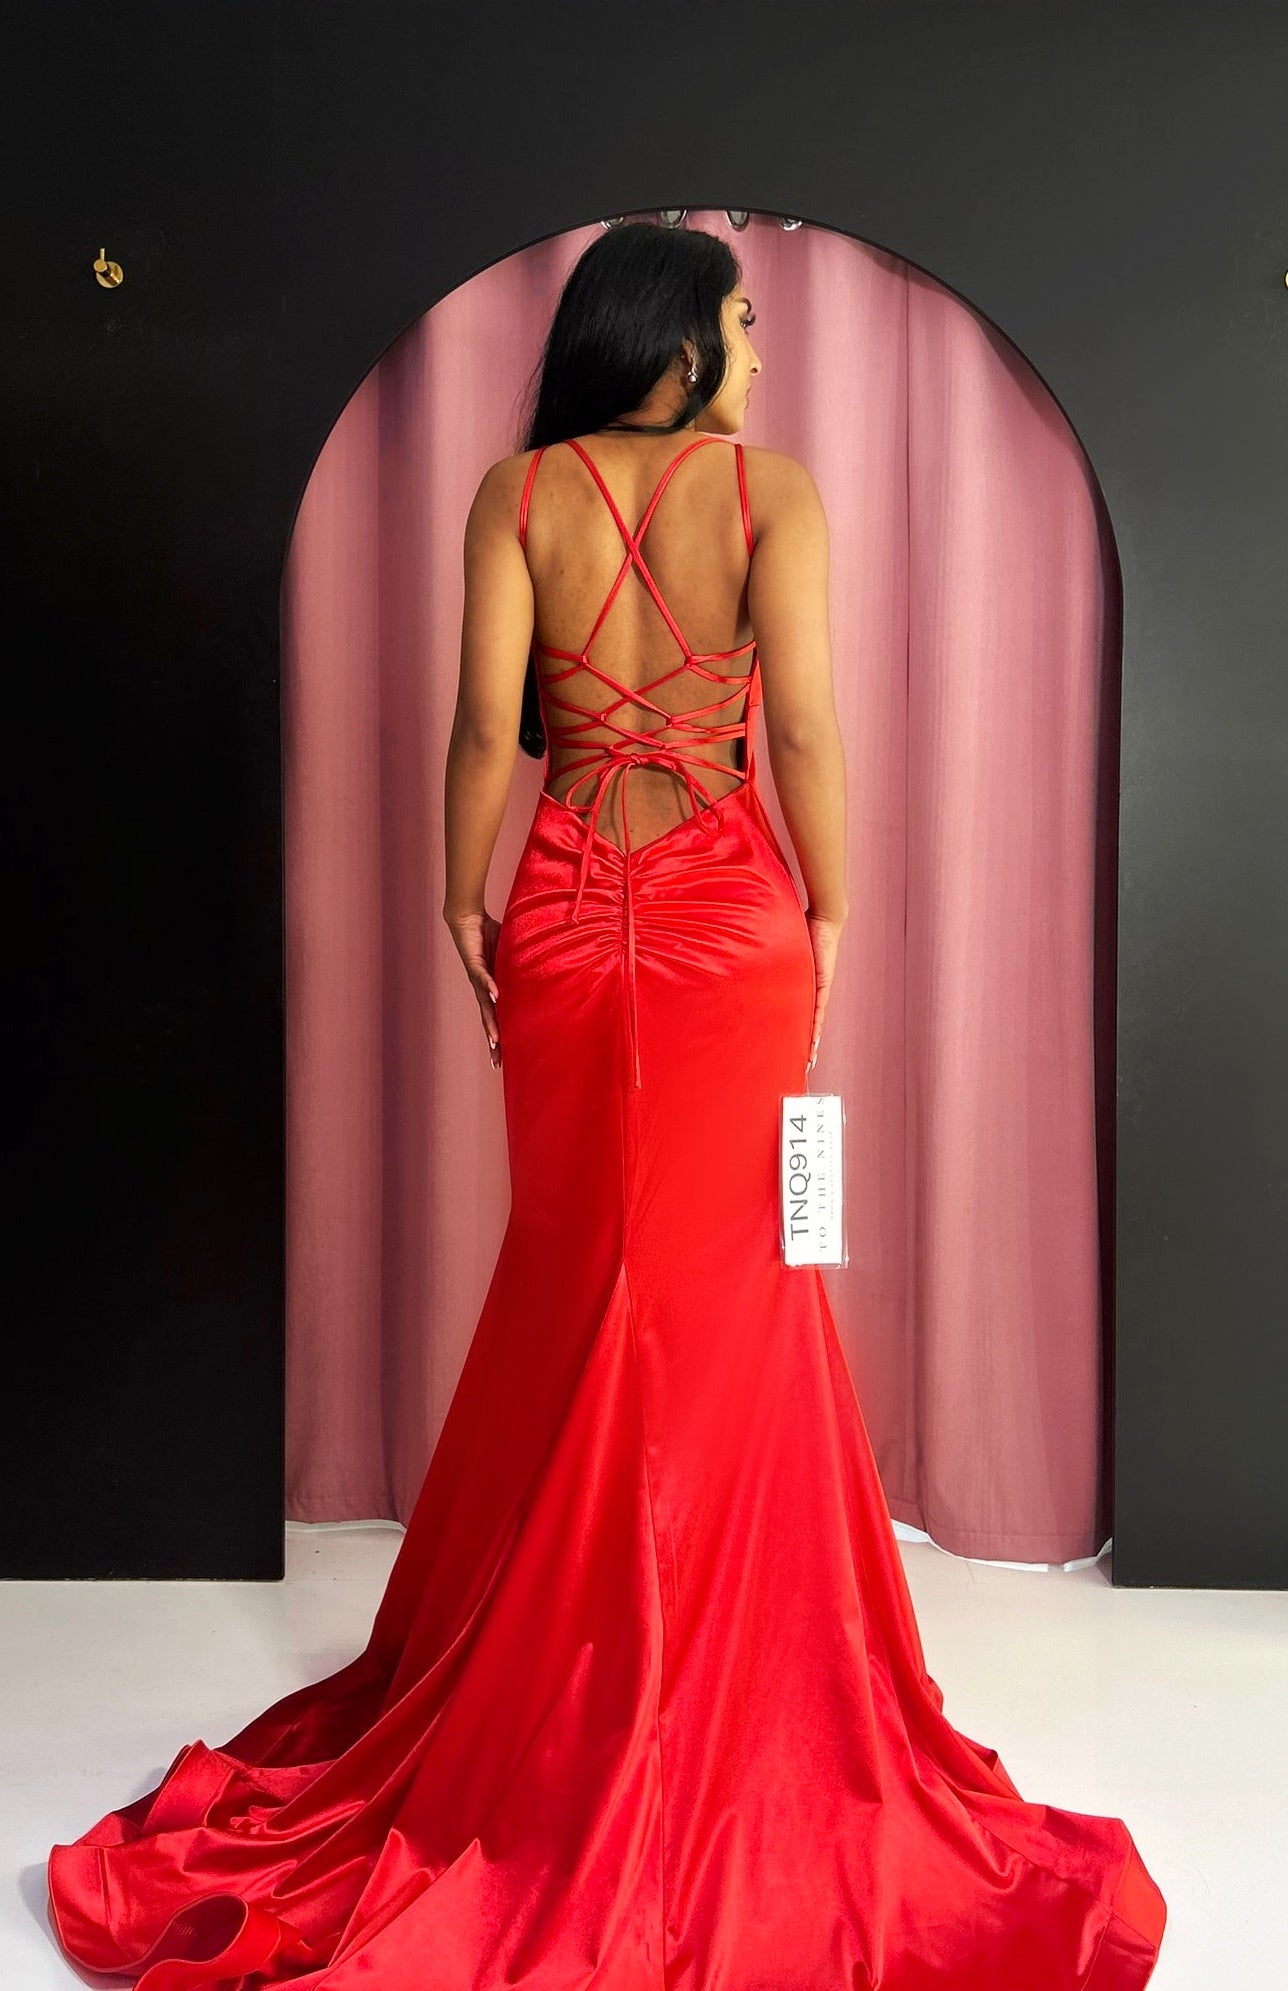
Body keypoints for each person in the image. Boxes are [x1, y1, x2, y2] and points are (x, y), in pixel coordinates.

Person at [47, 221, 1166, 1988]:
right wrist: (834, 911)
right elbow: (806, 735)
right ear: (679, 341)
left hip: (567, 911)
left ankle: (563, 1669)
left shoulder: (517, 492)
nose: (759, 353)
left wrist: (457, 899)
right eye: (742, 322)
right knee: (727, 1292)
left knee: (576, 1275)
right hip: (731, 917)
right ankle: (726, 1674)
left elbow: (479, 733)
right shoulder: (771, 495)